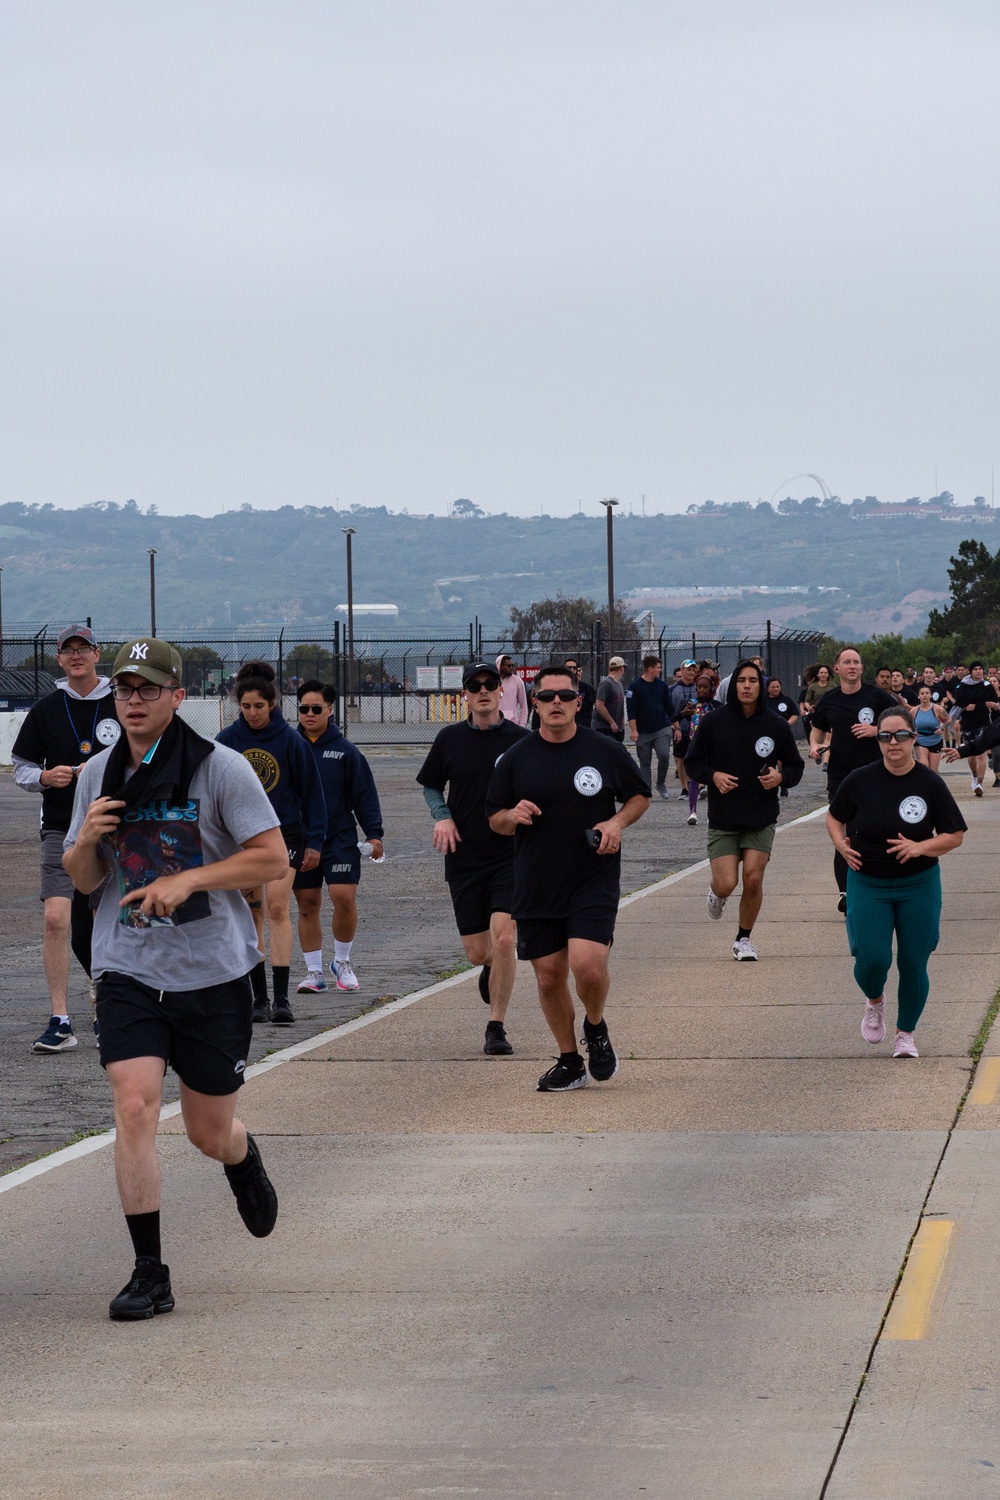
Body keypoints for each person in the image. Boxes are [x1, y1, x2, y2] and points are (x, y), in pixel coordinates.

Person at [62, 637, 288, 1321]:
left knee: (206, 1130)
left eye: (149, 689)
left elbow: (271, 859)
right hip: (128, 967)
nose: (133, 700)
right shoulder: (95, 776)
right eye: (125, 689)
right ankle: (149, 1272)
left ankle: (242, 1159)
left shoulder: (220, 770)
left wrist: (190, 877)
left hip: (212, 972)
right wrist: (87, 841)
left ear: (177, 696)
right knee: (133, 1106)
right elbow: (84, 882)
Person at [486, 665, 651, 1092]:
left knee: (588, 968)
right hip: (537, 881)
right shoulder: (516, 759)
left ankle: (595, 1026)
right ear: (533, 705)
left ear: (579, 702)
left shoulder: (605, 750)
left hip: (591, 877)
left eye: (564, 696)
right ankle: (569, 1059)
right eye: (546, 697)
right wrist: (511, 815)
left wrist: (616, 823)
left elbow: (639, 795)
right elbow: (495, 821)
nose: (555, 703)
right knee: (548, 975)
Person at [827, 706, 966, 1058]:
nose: (893, 743)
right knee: (871, 959)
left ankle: (906, 1033)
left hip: (918, 883)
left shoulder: (929, 783)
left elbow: (954, 835)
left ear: (913, 738)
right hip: (868, 882)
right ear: (877, 739)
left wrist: (921, 846)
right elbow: (834, 817)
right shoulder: (859, 780)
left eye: (901, 735)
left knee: (913, 961)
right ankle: (875, 1000)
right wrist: (840, 844)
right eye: (885, 736)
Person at [12, 624, 121, 1053]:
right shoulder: (45, 709)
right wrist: (43, 776)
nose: (76, 656)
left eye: (84, 649)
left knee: (106, 920)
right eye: (67, 650)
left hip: (114, 828)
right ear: (58, 658)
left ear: (97, 654)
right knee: (57, 919)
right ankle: (60, 1020)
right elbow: (20, 765)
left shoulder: (120, 701)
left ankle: (111, 1007)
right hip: (60, 827)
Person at [416, 662, 529, 1055]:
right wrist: (442, 816)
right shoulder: (449, 739)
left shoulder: (521, 740)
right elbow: (431, 785)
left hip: (509, 856)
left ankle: (496, 1026)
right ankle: (489, 968)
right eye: (474, 686)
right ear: (464, 695)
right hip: (464, 856)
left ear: (502, 691)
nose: (483, 690)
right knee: (479, 952)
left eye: (490, 684)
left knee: (505, 938)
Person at [217, 662, 326, 1024]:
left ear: (272, 703)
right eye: (246, 707)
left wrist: (315, 841)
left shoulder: (291, 741)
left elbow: (313, 794)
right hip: (242, 837)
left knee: (277, 906)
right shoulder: (227, 741)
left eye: (259, 707)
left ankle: (282, 998)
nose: (252, 714)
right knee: (252, 912)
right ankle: (258, 998)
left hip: (285, 834)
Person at [685, 660, 803, 960]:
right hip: (724, 817)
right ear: (732, 686)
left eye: (753, 680)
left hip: (761, 815)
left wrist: (781, 777)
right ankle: (716, 893)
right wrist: (713, 776)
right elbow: (692, 762)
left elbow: (795, 765)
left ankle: (743, 939)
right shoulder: (714, 722)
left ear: (761, 686)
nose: (747, 685)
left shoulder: (775, 726)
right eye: (742, 681)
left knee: (752, 878)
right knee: (727, 883)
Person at [292, 680, 384, 994]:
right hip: (301, 840)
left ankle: (342, 962)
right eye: (303, 708)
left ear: (331, 710)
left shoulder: (346, 752)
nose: (309, 714)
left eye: (317, 708)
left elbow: (364, 795)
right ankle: (314, 972)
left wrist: (374, 833)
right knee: (307, 904)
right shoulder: (290, 748)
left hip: (340, 838)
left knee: (343, 897)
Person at [809, 648, 897, 913]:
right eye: (846, 662)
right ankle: (846, 892)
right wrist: (815, 747)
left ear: (861, 668)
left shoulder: (877, 696)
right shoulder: (829, 700)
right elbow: (817, 731)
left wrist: (876, 730)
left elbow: (903, 723)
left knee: (877, 830)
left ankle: (881, 884)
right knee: (846, 833)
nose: (852, 666)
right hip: (841, 777)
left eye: (856, 662)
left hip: (876, 775)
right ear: (836, 668)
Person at [626, 653, 674, 799]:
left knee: (664, 755)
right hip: (643, 731)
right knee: (645, 762)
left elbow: (669, 707)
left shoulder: (663, 685)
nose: (660, 670)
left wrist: (676, 726)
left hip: (662, 728)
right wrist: (634, 730)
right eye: (658, 667)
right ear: (650, 668)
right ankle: (647, 789)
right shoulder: (634, 686)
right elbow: (631, 710)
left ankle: (660, 783)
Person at [949, 661, 999, 796]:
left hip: (983, 721)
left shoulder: (987, 685)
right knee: (971, 754)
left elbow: (996, 702)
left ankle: (980, 784)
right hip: (968, 722)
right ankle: (974, 775)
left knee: (981, 752)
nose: (978, 671)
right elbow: (958, 705)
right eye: (975, 669)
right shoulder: (963, 686)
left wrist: (994, 705)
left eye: (980, 669)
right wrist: (966, 708)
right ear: (970, 671)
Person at [681, 674, 719, 824]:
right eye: (699, 687)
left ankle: (714, 813)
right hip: (695, 745)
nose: (702, 690)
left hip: (714, 745)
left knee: (714, 777)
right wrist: (684, 714)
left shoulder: (716, 706)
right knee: (694, 777)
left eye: (705, 687)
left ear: (711, 688)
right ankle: (692, 812)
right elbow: (674, 716)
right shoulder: (691, 704)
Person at [668, 660, 700, 799]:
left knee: (697, 758)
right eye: (688, 669)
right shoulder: (673, 689)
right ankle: (684, 788)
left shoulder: (699, 688)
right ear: (682, 670)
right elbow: (670, 711)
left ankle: (696, 786)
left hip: (697, 730)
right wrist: (676, 728)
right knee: (680, 759)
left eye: (693, 670)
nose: (691, 672)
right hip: (681, 729)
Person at [766, 677, 799, 795]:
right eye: (773, 687)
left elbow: (795, 714)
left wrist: (788, 723)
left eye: (777, 687)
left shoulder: (786, 700)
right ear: (767, 688)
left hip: (782, 734)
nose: (775, 689)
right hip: (766, 734)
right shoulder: (763, 701)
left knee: (781, 760)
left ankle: (782, 784)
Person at [912, 684, 949, 772]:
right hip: (920, 740)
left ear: (930, 695)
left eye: (927, 693)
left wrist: (941, 729)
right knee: (924, 765)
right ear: (918, 696)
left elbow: (948, 720)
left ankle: (933, 785)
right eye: (922, 693)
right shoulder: (914, 711)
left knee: (933, 770)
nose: (925, 695)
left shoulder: (937, 709)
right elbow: (908, 725)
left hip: (935, 740)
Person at [592, 656, 627, 741]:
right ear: (621, 668)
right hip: (603, 726)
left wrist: (622, 722)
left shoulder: (619, 684)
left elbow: (620, 705)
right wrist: (612, 722)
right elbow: (599, 705)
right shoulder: (606, 683)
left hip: (616, 727)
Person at [496, 653, 529, 727]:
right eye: (508, 666)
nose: (511, 668)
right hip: (496, 724)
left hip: (514, 724)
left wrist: (522, 725)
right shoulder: (493, 682)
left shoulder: (517, 681)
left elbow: (524, 706)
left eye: (512, 665)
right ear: (500, 666)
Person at [562, 657, 596, 725]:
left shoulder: (586, 688)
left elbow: (597, 704)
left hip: (583, 725)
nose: (572, 670)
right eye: (569, 667)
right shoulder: (558, 687)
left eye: (574, 668)